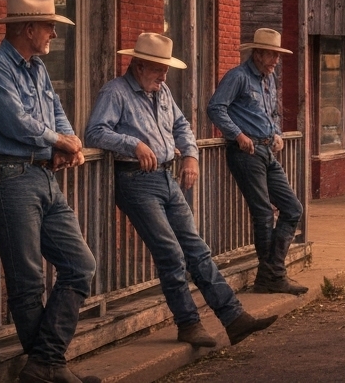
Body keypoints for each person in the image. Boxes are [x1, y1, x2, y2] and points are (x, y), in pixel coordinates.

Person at [85, 33, 275, 347]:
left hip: (165, 177)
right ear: (140, 64)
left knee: (197, 250)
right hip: (134, 180)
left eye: (166, 69)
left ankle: (234, 318)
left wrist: (190, 155)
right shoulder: (115, 92)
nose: (165, 75)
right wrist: (132, 143)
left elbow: (182, 124)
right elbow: (95, 131)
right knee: (171, 254)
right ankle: (188, 324)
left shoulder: (162, 91)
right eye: (159, 68)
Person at [0, 0, 97, 383]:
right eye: (48, 27)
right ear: (28, 28)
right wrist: (59, 142)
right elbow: (14, 121)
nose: (53, 36)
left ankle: (44, 364)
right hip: (8, 177)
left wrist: (68, 142)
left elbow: (55, 111)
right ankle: (50, 367)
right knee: (27, 282)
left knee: (81, 266)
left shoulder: (37, 68)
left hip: (41, 175)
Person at [207, 28, 306, 295]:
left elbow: (272, 112)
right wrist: (237, 135)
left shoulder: (269, 79)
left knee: (293, 208)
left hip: (267, 150)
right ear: (258, 53)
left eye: (277, 55)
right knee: (263, 213)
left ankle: (270, 274)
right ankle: (272, 276)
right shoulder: (238, 76)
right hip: (246, 152)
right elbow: (215, 107)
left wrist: (277, 133)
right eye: (272, 55)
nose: (276, 60)